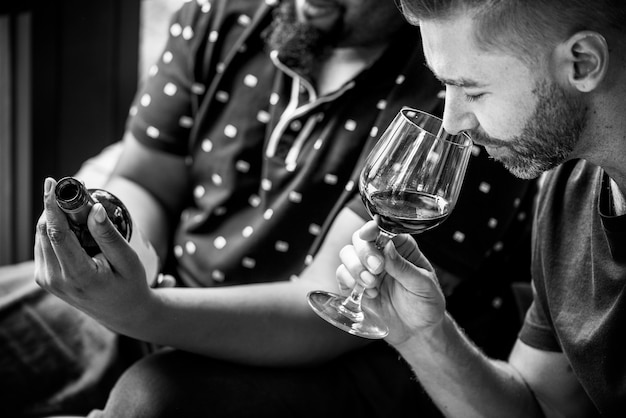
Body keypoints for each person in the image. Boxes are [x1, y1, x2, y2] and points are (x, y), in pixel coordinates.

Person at [4, 0, 533, 416]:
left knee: (151, 400)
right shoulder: (219, 17)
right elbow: (147, 179)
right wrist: (123, 263)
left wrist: (145, 314)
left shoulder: (458, 88)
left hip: (346, 353)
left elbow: (330, 309)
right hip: (169, 295)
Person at [336, 0, 626, 416]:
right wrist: (421, 334)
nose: (452, 123)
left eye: (472, 90)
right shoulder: (568, 189)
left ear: (582, 62)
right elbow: (544, 407)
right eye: (446, 87)